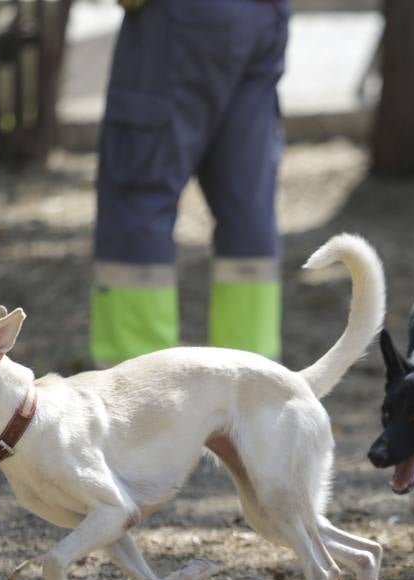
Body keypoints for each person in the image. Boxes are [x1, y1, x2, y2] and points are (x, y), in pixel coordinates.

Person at [91, 0, 290, 367]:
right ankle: (252, 385)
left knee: (140, 193)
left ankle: (137, 384)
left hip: (178, 17)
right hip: (263, 15)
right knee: (247, 201)